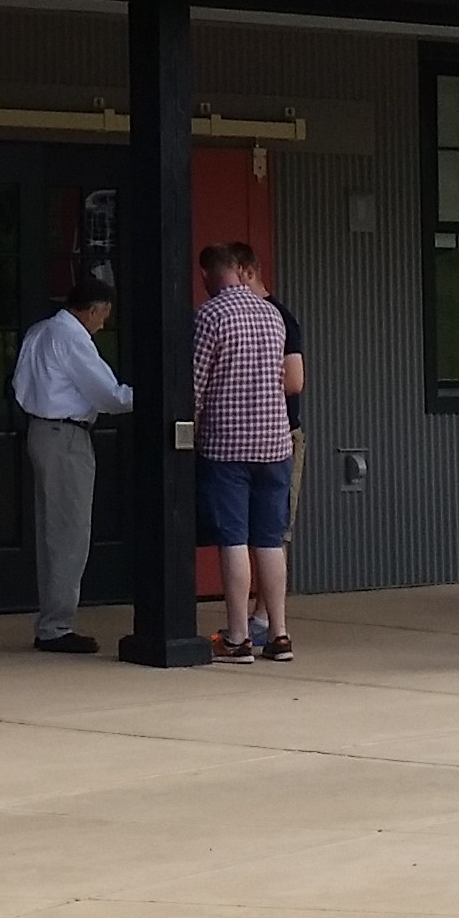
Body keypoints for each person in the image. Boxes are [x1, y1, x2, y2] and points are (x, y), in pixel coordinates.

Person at [13, 269, 131, 651]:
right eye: (103, 315)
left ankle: (53, 619)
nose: (103, 324)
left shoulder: (40, 331)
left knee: (52, 530)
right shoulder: (73, 339)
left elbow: (19, 385)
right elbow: (108, 395)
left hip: (40, 430)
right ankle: (56, 626)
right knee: (69, 532)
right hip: (66, 435)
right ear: (93, 310)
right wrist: (151, 395)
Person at [191, 240, 295, 659]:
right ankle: (279, 633)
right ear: (239, 269)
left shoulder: (210, 315)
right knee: (270, 540)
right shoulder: (272, 314)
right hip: (275, 442)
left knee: (233, 539)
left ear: (207, 275)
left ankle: (238, 637)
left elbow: (194, 383)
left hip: (227, 444)